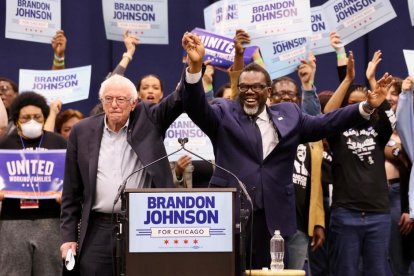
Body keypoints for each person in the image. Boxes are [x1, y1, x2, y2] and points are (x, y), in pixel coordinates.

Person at [180, 32, 393, 272]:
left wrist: (365, 106)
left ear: (268, 92)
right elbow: (195, 106)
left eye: (257, 88)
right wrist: (195, 67)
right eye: (244, 88)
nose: (249, 92)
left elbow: (327, 123)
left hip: (274, 218)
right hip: (230, 214)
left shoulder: (290, 115)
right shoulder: (223, 113)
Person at [59, 32, 196, 273]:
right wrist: (68, 237)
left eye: (121, 100)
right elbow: (70, 193)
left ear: (134, 103)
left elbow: (178, 99)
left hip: (143, 223)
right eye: (108, 99)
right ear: (101, 101)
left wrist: (193, 66)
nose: (114, 105)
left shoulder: (150, 119)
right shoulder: (82, 131)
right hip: (98, 228)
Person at [324, 51, 394, 276]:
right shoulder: (338, 130)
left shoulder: (378, 130)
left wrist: (373, 81)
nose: (356, 108)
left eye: (361, 104)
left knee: (379, 272)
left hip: (378, 214)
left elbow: (387, 114)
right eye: (351, 104)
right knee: (345, 272)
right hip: (345, 213)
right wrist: (347, 79)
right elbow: (328, 114)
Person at [0, 91, 67, 275]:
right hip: (13, 220)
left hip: (50, 219)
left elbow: (71, 179)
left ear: (45, 117)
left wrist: (65, 196)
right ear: (17, 120)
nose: (32, 121)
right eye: (26, 117)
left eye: (37, 117)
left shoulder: (58, 142)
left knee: (50, 271)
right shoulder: (5, 144)